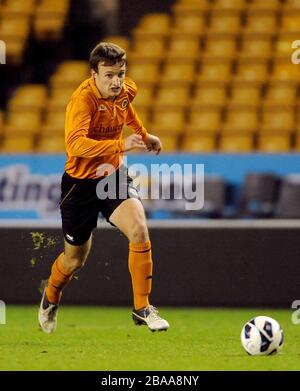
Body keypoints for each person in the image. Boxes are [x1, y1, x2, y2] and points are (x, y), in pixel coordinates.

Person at [38, 42, 169, 333]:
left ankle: (142, 308)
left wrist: (144, 135)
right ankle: (51, 295)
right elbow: (75, 145)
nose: (116, 81)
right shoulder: (81, 101)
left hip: (111, 175)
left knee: (139, 229)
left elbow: (126, 109)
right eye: (109, 75)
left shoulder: (125, 89)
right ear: (93, 74)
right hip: (80, 186)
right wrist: (121, 144)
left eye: (120, 74)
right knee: (74, 261)